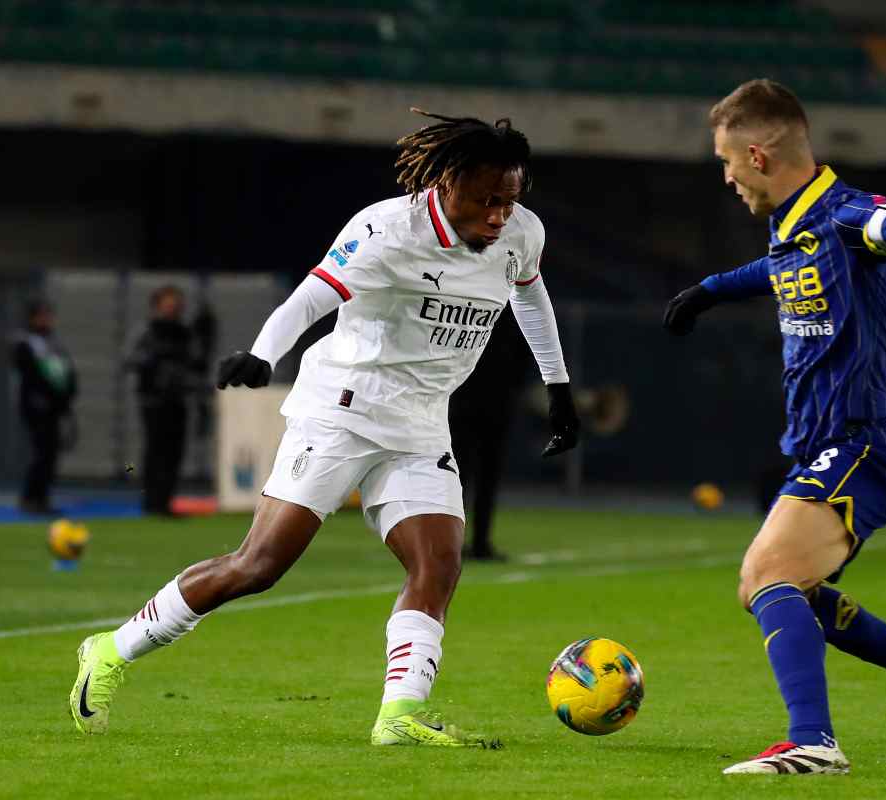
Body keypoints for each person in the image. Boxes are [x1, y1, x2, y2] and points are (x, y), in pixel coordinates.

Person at [69, 110, 580, 746]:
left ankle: (398, 717)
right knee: (259, 566)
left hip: (422, 423)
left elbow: (532, 298)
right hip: (342, 411)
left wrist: (558, 387)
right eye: (487, 200)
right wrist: (263, 352)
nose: (500, 215)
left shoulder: (520, 233)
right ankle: (112, 649)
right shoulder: (386, 229)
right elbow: (315, 294)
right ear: (449, 182)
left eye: (511, 199)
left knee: (438, 565)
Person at [663, 79, 886, 775]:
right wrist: (711, 291)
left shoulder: (850, 215)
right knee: (792, 590)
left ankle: (814, 741)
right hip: (828, 445)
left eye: (727, 161)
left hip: (865, 439)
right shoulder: (794, 224)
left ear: (757, 155)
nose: (725, 176)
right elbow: (777, 266)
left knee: (766, 574)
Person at [449, 307, 529, 561]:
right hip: (495, 402)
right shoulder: (514, 313)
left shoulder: (469, 305)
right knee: (483, 478)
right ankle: (478, 543)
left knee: (459, 478)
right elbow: (523, 358)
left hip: (466, 400)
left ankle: (453, 544)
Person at [127, 286, 213, 515]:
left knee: (174, 453)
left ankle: (164, 502)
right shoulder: (147, 331)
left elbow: (197, 365)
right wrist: (153, 359)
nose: (173, 309)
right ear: (157, 306)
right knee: (155, 451)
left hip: (178, 400)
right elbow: (131, 359)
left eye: (177, 305)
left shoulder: (185, 333)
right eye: (169, 304)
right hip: (153, 401)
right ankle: (151, 502)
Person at [11, 300, 77, 514]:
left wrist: (66, 396)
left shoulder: (54, 342)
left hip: (55, 406)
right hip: (36, 406)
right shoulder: (25, 342)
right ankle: (31, 497)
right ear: (32, 318)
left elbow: (67, 371)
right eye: (42, 316)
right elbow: (30, 374)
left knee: (50, 453)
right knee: (41, 453)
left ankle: (42, 497)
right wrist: (45, 396)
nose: (47, 320)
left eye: (48, 315)